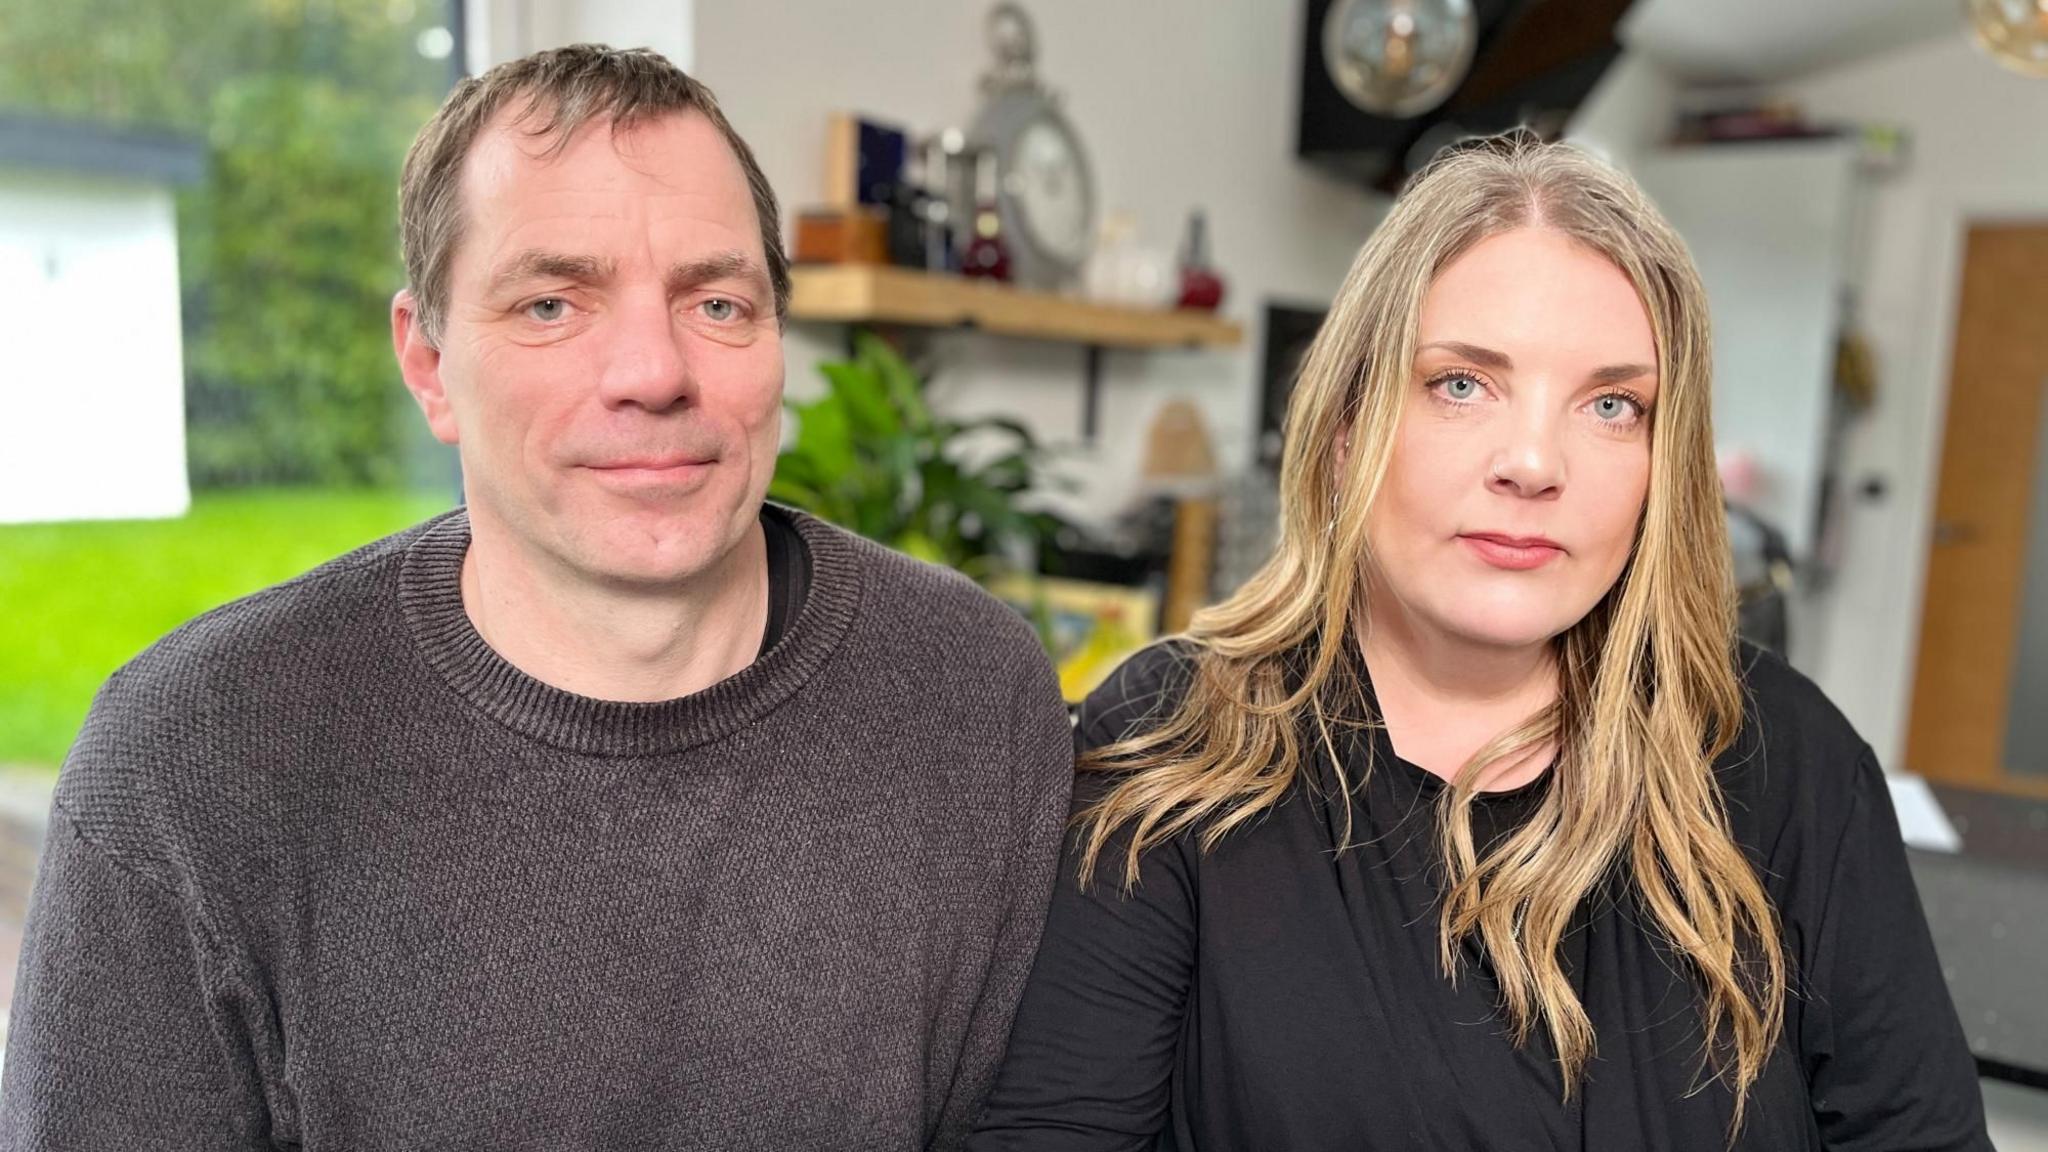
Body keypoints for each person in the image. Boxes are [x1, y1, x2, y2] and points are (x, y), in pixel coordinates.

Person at [2, 44, 1074, 1151]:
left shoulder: (972, 695)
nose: (653, 373)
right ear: (427, 364)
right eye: (553, 303)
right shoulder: (191, 760)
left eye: (716, 302)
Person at [969, 134, 1990, 1150]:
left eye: (1608, 405)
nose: (1533, 462)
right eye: (1461, 383)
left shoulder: (1784, 757)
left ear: (1658, 466)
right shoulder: (1177, 742)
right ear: (1344, 426)